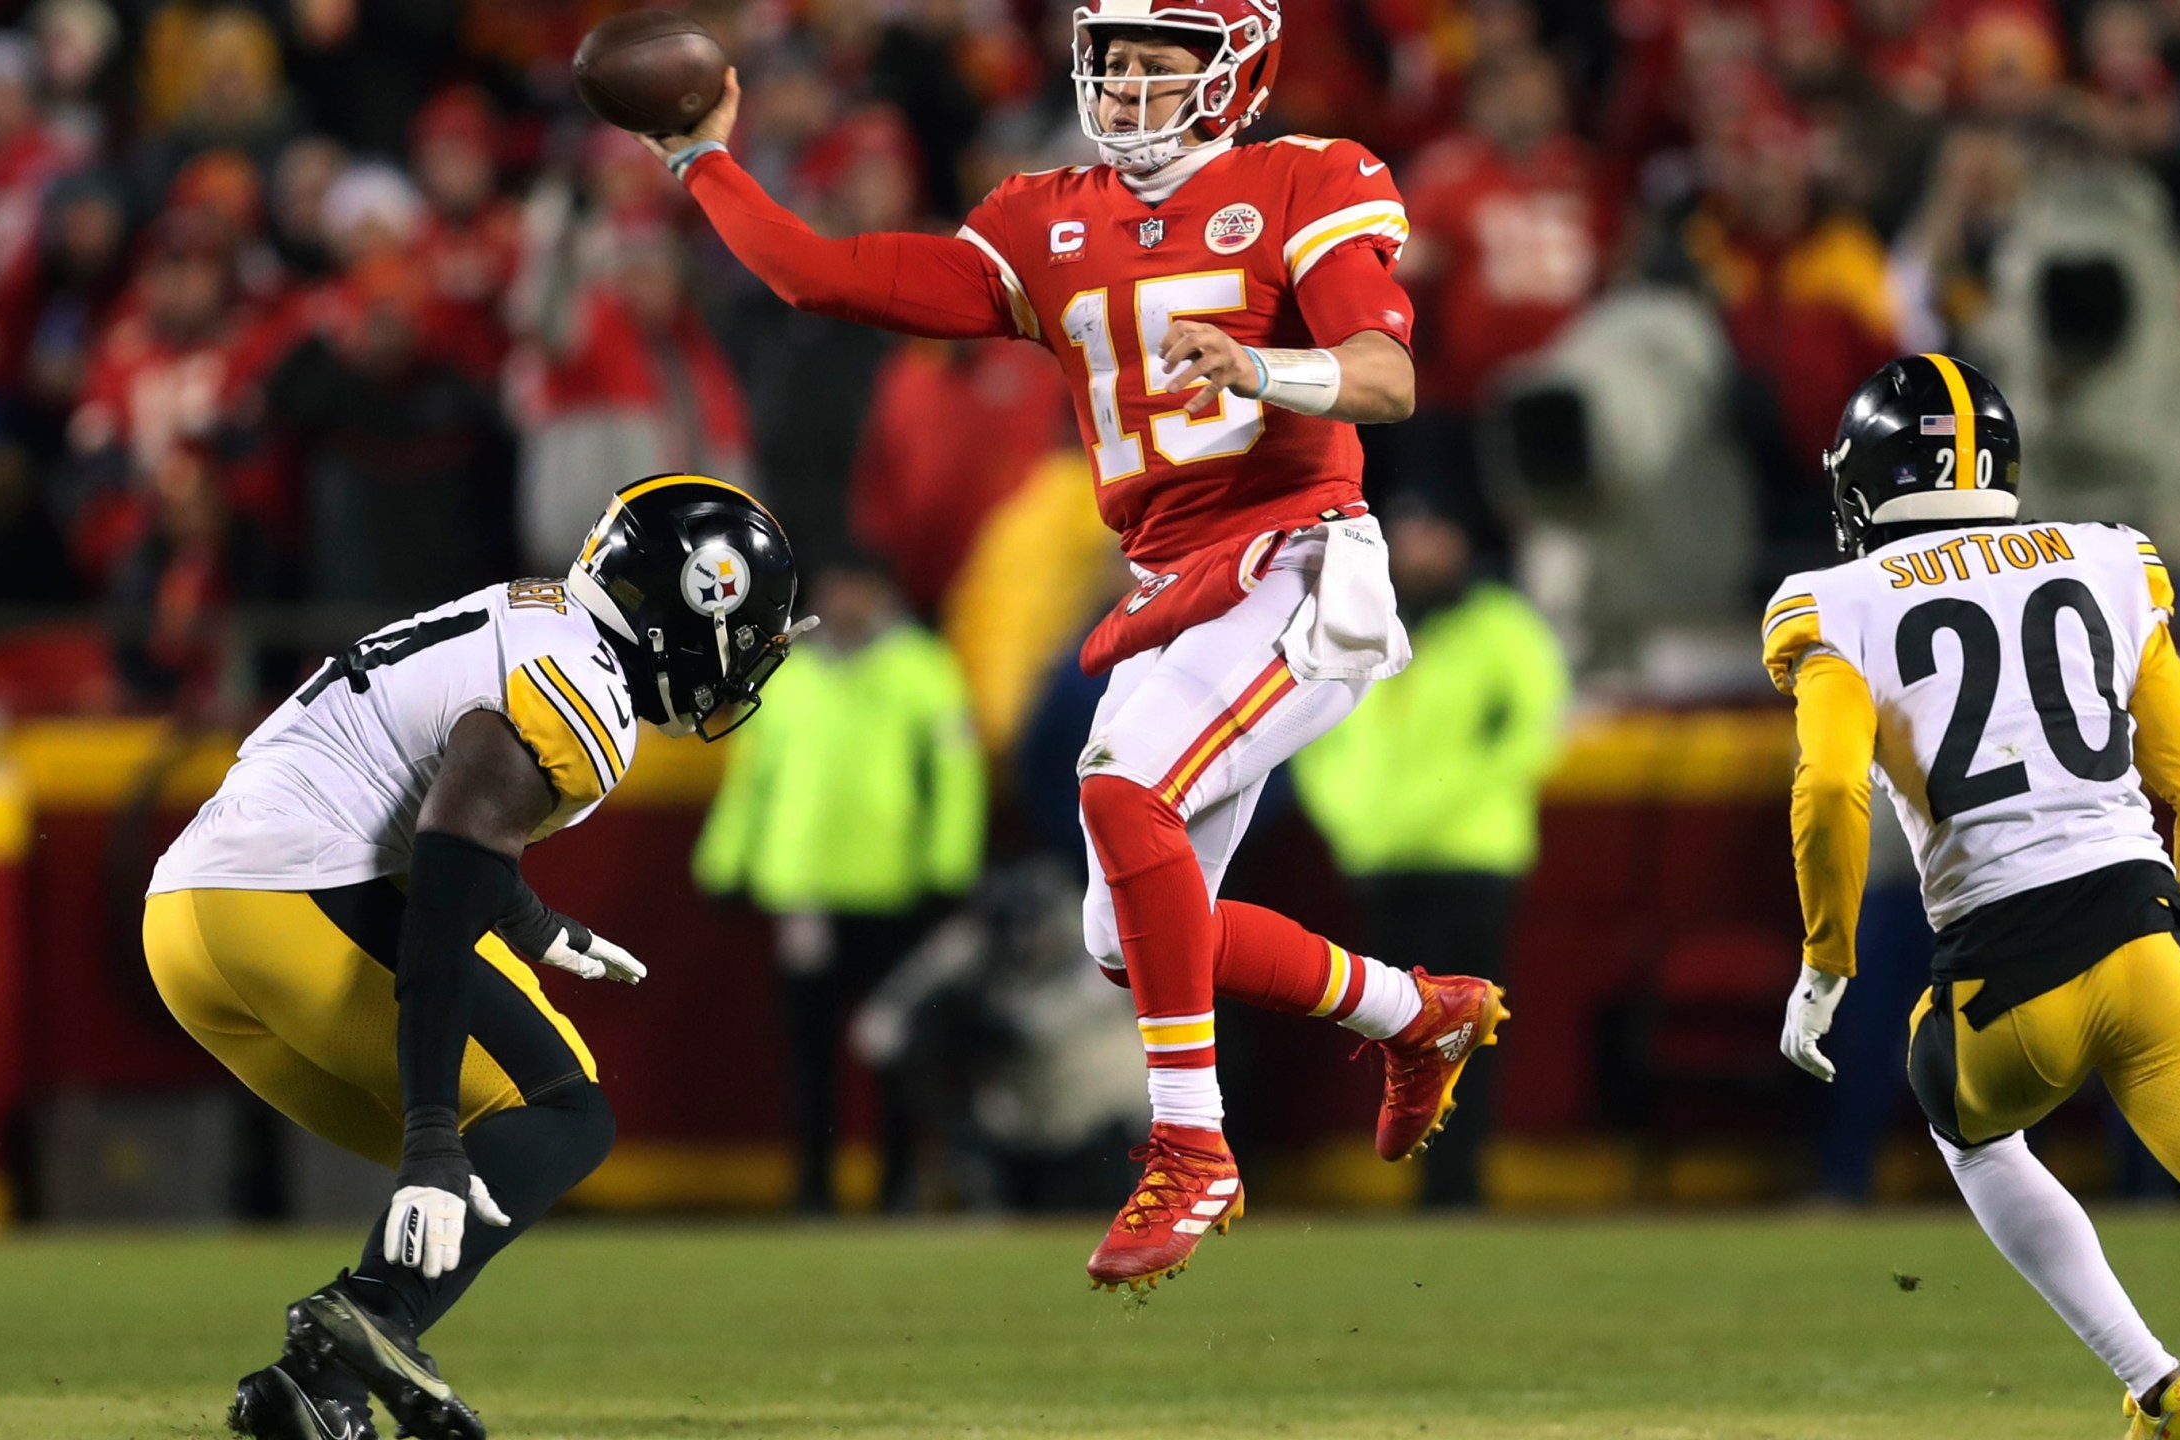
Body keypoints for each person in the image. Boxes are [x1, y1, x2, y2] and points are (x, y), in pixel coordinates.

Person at [647, 0, 1507, 1292]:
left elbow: (1386, 377)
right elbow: (818, 276)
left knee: (1120, 788)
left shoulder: (1308, 179)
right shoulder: (1043, 218)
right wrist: (697, 160)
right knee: (1132, 932)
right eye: (1112, 63)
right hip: (1173, 588)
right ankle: (1416, 1012)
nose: (1127, 91)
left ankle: (1192, 1146)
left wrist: (1267, 373)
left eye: (1160, 66)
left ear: (1234, 76)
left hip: (1298, 557)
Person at [1764, 355, 2180, 1440]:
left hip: (1999, 979)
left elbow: (1829, 789)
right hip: (2144, 936)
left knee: (1971, 1137)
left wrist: (1827, 961)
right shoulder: (2108, 560)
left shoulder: (1837, 600)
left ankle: (2157, 1385)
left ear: (1862, 480)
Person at [141, 475, 815, 1440]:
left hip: (189, 925)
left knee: (491, 1175)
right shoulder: (579, 691)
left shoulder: (534, 617)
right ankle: (366, 1321)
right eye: (750, 636)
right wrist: (428, 1132)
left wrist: (539, 926)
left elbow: (432, 832)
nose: (747, 665)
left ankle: (314, 1387)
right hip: (285, 901)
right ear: (692, 608)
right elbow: (441, 915)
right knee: (560, 1111)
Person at [692, 551, 988, 1212]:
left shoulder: (923, 669)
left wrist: (949, 869)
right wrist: (724, 863)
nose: (844, 601)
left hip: (894, 890)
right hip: (803, 889)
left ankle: (896, 1184)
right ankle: (814, 1187)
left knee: (897, 1049)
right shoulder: (788, 674)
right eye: (835, 588)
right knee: (810, 1055)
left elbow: (956, 778)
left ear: (881, 594)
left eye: (856, 588)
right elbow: (752, 779)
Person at [1293, 504, 1569, 1205]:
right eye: (1407, 537)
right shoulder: (1359, 625)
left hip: (1471, 860)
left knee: (1462, 1034)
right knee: (1403, 1041)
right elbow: (1310, 734)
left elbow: (1534, 731)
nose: (1419, 551)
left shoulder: (1503, 627)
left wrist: (1430, 808)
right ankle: (1428, 1186)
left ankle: (1456, 1186)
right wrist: (1351, 818)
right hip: (1383, 862)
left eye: (1432, 533)